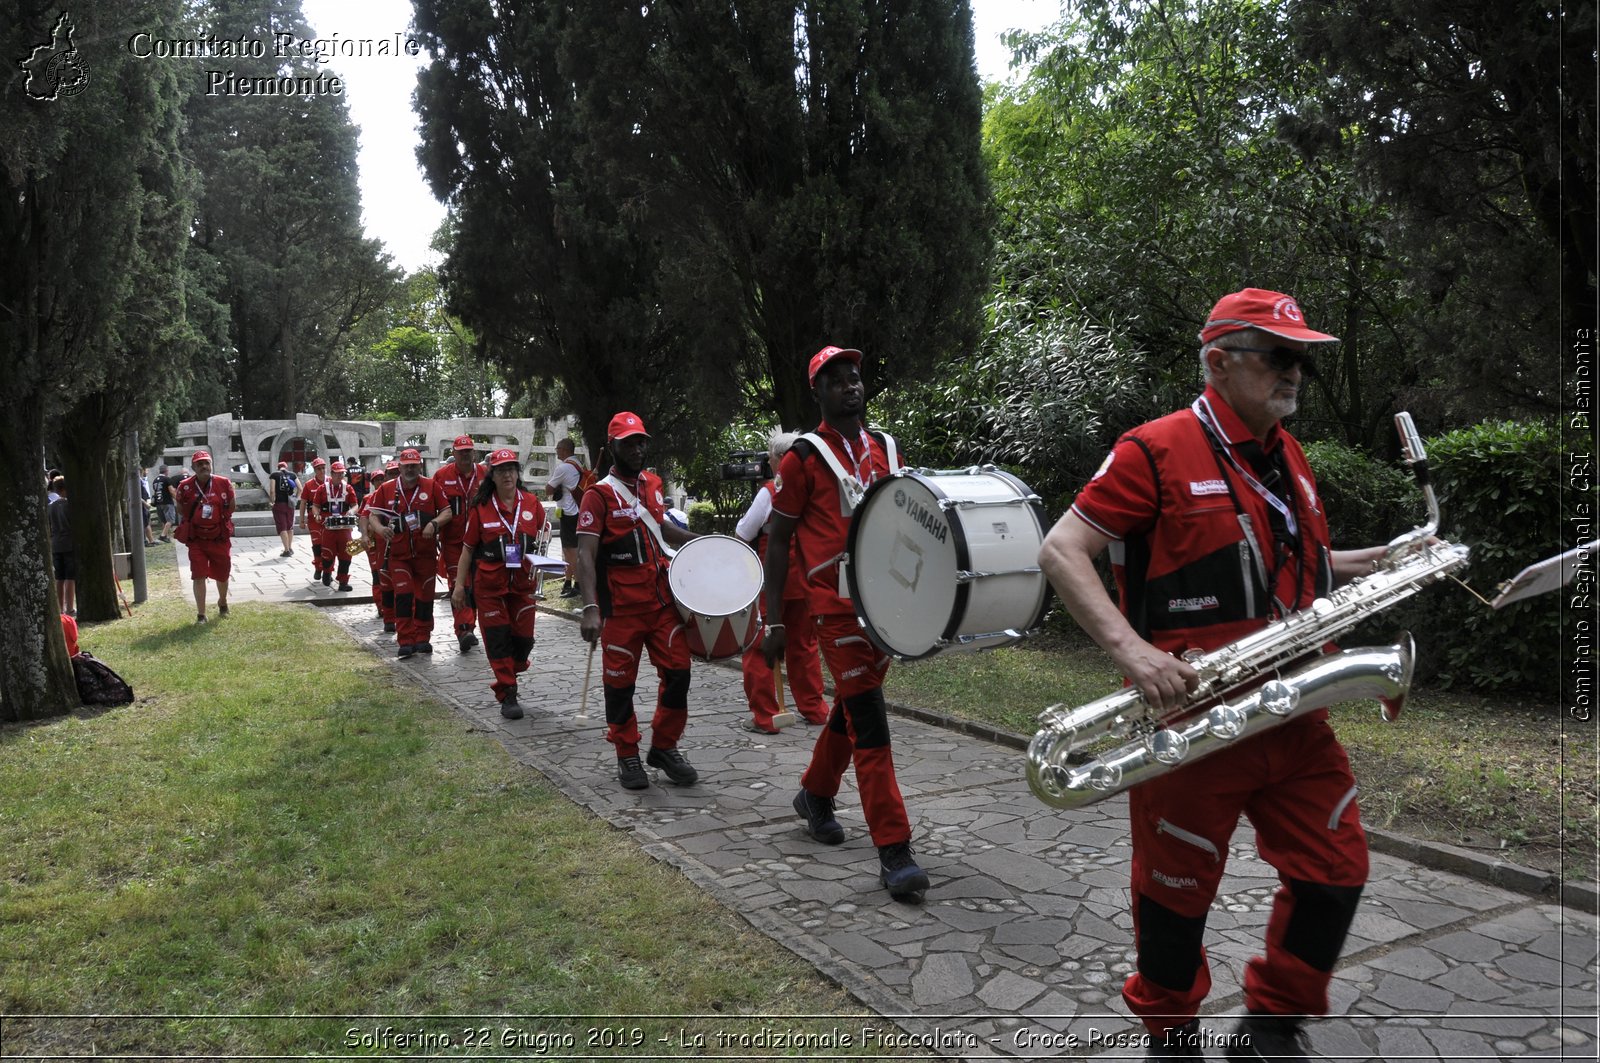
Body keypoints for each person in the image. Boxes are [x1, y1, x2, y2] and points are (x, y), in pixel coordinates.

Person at [1036, 288, 1392, 1062]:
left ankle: (1269, 1024)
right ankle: (1171, 1037)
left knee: (1338, 869)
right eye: (1279, 355)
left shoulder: (1288, 454)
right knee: (1175, 899)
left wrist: (1379, 561)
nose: (1296, 372)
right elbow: (1062, 551)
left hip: (1294, 709)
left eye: (1301, 357)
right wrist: (1134, 653)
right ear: (1218, 361)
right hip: (1194, 721)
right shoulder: (1153, 449)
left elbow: (1290, 563)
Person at [762, 345, 929, 904]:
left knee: (852, 707)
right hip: (834, 610)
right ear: (818, 394)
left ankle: (814, 795)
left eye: (854, 377)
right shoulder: (802, 459)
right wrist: (773, 620)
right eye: (835, 381)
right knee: (871, 721)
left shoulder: (884, 446)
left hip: (883, 605)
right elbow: (780, 541)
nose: (849, 386)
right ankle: (895, 850)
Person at [575, 412, 701, 790]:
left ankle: (664, 746)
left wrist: (704, 541)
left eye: (642, 441)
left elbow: (660, 526)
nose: (637, 448)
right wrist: (591, 607)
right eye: (629, 442)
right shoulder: (597, 496)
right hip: (620, 611)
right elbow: (585, 554)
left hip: (662, 603)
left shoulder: (652, 484)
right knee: (619, 686)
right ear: (612, 447)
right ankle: (626, 754)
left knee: (679, 674)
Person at [735, 430, 828, 732]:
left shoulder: (769, 491)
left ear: (778, 460)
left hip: (772, 582)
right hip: (805, 579)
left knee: (760, 644)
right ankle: (814, 708)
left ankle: (765, 714)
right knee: (804, 644)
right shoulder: (816, 488)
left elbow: (744, 533)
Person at [453, 448, 548, 718]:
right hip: (490, 587)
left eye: (512, 469)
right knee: (497, 639)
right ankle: (508, 693)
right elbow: (468, 550)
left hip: (523, 585)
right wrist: (460, 587)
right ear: (492, 476)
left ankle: (512, 669)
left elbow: (541, 544)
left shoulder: (532, 503)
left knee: (524, 640)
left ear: (518, 474)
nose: (507, 474)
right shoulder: (481, 507)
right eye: (501, 470)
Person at [366, 448, 441, 658]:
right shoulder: (386, 489)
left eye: (414, 465)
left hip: (425, 553)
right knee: (404, 595)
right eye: (406, 465)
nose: (410, 469)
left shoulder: (431, 486)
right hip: (398, 555)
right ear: (399, 467)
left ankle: (423, 637)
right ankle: (406, 639)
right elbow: (372, 515)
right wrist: (380, 530)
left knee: (425, 597)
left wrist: (434, 524)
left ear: (420, 466)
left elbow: (446, 511)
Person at [428, 434, 487, 652]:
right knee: (459, 585)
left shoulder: (485, 475)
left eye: (468, 451)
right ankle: (463, 629)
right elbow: (431, 506)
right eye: (461, 452)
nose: (465, 455)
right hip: (453, 542)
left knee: (477, 585)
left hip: (481, 542)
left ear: (474, 453)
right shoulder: (441, 476)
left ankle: (470, 625)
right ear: (453, 453)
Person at [174, 449, 235, 623]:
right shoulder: (185, 485)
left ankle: (222, 602)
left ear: (211, 464)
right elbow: (180, 507)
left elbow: (231, 505)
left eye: (206, 463)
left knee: (223, 574)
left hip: (219, 538)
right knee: (198, 574)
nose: (204, 466)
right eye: (199, 464)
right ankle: (201, 614)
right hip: (197, 540)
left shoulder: (223, 483)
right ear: (193, 467)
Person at [545, 437, 586, 598]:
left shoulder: (563, 467)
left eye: (558, 448)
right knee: (568, 549)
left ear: (565, 450)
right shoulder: (577, 464)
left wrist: (555, 487)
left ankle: (579, 584)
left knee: (570, 550)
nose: (556, 451)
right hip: (575, 511)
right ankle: (568, 582)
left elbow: (548, 489)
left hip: (569, 513)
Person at [362, 462, 399, 632]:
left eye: (397, 472)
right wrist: (365, 533)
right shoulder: (371, 497)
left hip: (403, 546)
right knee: (381, 579)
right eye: (391, 473)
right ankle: (384, 612)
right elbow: (364, 517)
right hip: (380, 546)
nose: (394, 476)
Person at [316, 461, 359, 591]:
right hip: (328, 526)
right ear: (332, 473)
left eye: (342, 474)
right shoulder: (322, 489)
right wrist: (316, 515)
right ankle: (327, 571)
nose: (340, 476)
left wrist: (351, 511)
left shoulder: (348, 488)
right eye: (338, 474)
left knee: (346, 554)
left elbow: (355, 505)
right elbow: (316, 506)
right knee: (328, 554)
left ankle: (343, 582)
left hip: (344, 527)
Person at [297, 457, 331, 583]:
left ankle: (328, 571)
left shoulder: (332, 482)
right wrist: (301, 520)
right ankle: (318, 567)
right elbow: (303, 503)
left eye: (323, 468)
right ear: (314, 470)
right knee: (317, 545)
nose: (321, 471)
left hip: (329, 518)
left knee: (329, 546)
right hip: (313, 520)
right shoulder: (309, 485)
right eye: (318, 469)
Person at [47, 476, 75, 617]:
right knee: (70, 577)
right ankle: (70, 608)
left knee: (60, 577)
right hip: (69, 544)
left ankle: (60, 608)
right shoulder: (69, 505)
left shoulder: (50, 507)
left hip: (56, 544)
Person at [268, 460, 298, 557]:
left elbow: (272, 491)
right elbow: (300, 488)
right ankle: (290, 547)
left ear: (278, 467)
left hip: (279, 504)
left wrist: (272, 502)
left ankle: (286, 550)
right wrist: (295, 499)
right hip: (290, 505)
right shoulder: (293, 475)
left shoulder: (274, 475)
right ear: (286, 467)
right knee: (290, 526)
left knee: (282, 527)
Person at [152, 465, 176, 542]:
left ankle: (165, 536)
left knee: (164, 521)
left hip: (159, 503)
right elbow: (172, 491)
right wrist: (177, 499)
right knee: (170, 520)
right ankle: (162, 536)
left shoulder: (155, 480)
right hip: (167, 502)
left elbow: (155, 492)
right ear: (166, 471)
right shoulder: (167, 479)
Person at [139, 468, 156, 547]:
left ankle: (149, 540)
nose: (147, 471)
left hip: (145, 504)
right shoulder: (137, 482)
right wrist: (145, 503)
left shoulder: (142, 480)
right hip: (142, 505)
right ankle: (150, 541)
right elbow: (137, 495)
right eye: (146, 470)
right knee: (145, 524)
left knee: (147, 523)